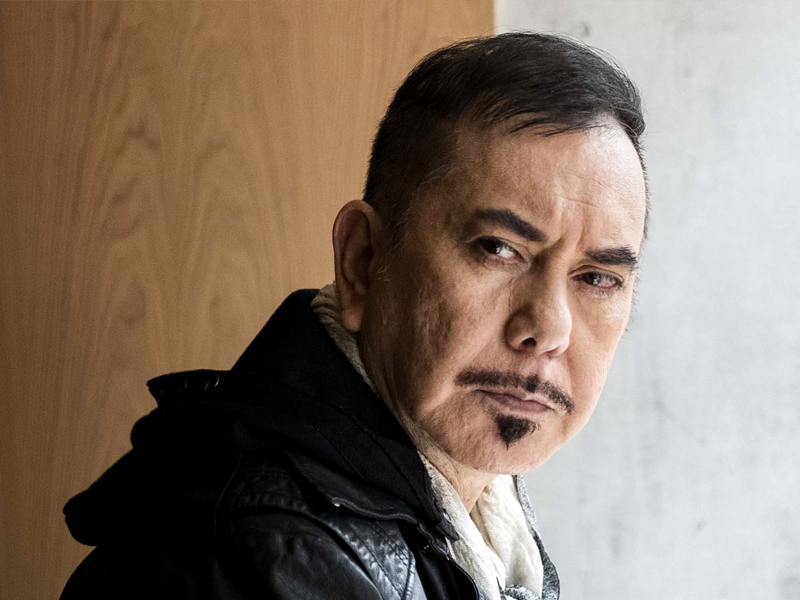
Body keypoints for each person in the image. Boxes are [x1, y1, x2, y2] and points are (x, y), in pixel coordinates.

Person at [61, 32, 647, 600]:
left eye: (598, 278)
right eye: (498, 249)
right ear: (363, 261)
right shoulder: (263, 556)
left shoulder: (471, 528)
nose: (549, 329)